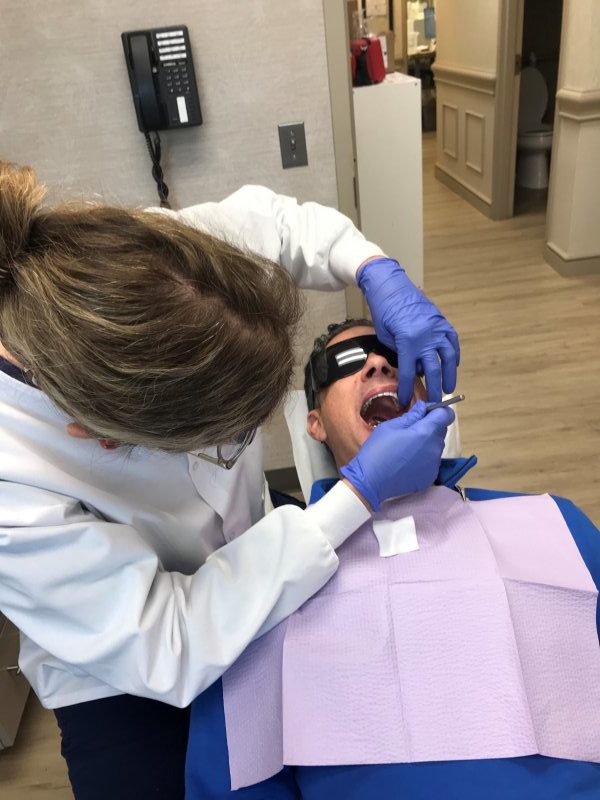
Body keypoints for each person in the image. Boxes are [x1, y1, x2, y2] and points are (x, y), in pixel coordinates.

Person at [0, 163, 458, 799]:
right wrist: (356, 497)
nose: (376, 364)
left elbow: (285, 226)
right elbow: (169, 641)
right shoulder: (12, 482)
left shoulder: (163, 264)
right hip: (122, 668)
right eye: (230, 438)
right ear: (105, 438)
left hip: (261, 553)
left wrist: (373, 268)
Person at [185, 319, 600, 800]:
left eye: (396, 357)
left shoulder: (552, 525)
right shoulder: (259, 581)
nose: (379, 363)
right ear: (314, 422)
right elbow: (237, 777)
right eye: (344, 362)